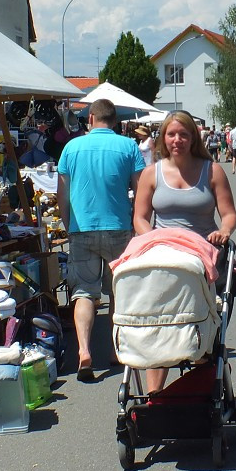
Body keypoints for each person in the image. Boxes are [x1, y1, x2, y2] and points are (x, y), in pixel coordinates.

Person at [133, 110, 236, 392]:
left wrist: (224, 232)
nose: (177, 140)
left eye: (183, 134)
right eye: (171, 134)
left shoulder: (211, 170)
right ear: (162, 138)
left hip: (205, 253)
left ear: (193, 138)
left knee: (201, 324)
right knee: (161, 323)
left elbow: (228, 214)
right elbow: (140, 218)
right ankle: (156, 396)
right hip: (165, 254)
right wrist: (153, 238)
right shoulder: (150, 173)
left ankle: (201, 390)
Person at [57, 99, 145, 383]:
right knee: (118, 291)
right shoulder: (129, 146)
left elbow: (62, 193)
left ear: (91, 118)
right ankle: (116, 350)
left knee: (84, 292)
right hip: (119, 226)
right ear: (115, 121)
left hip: (82, 228)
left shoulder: (71, 148)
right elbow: (141, 189)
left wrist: (68, 223)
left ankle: (84, 351)